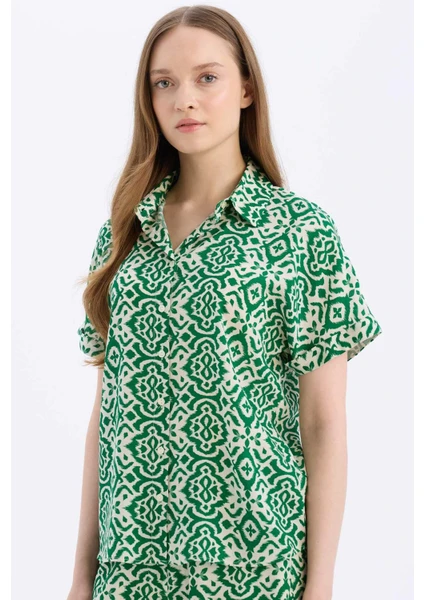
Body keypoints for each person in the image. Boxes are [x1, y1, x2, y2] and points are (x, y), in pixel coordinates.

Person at [68, 5, 383, 600]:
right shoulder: (122, 234)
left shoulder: (300, 232)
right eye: (164, 83)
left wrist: (320, 587)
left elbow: (323, 424)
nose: (184, 99)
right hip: (132, 569)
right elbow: (105, 417)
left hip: (254, 566)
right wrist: (83, 576)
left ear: (245, 89)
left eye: (206, 77)